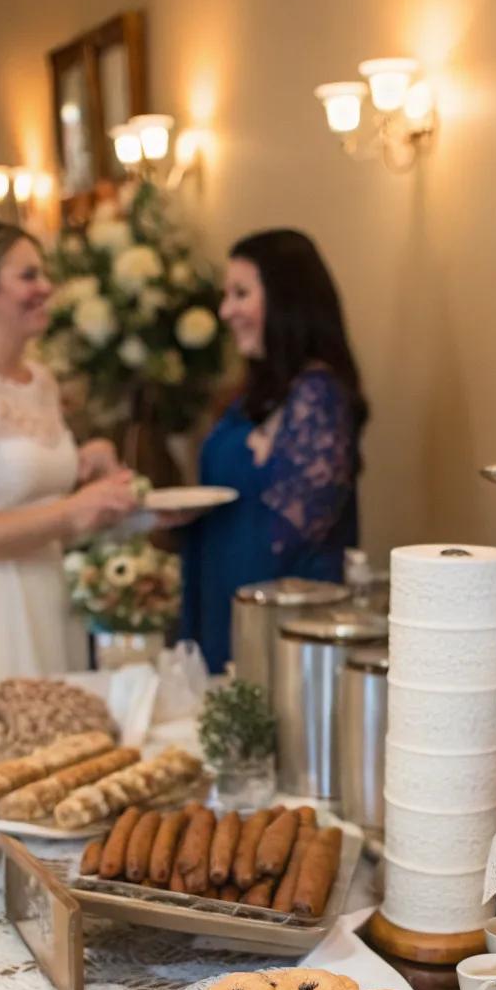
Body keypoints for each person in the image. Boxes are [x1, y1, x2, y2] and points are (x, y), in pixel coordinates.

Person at [0, 222, 138, 687]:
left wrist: (85, 469)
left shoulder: (39, 379)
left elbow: (24, 490)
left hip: (47, 589)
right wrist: (73, 509)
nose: (46, 288)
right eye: (28, 276)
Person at [180, 229, 365, 673]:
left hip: (277, 630)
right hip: (224, 602)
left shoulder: (317, 396)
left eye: (241, 293)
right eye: (227, 295)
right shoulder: (252, 398)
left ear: (287, 300)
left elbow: (292, 536)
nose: (226, 311)